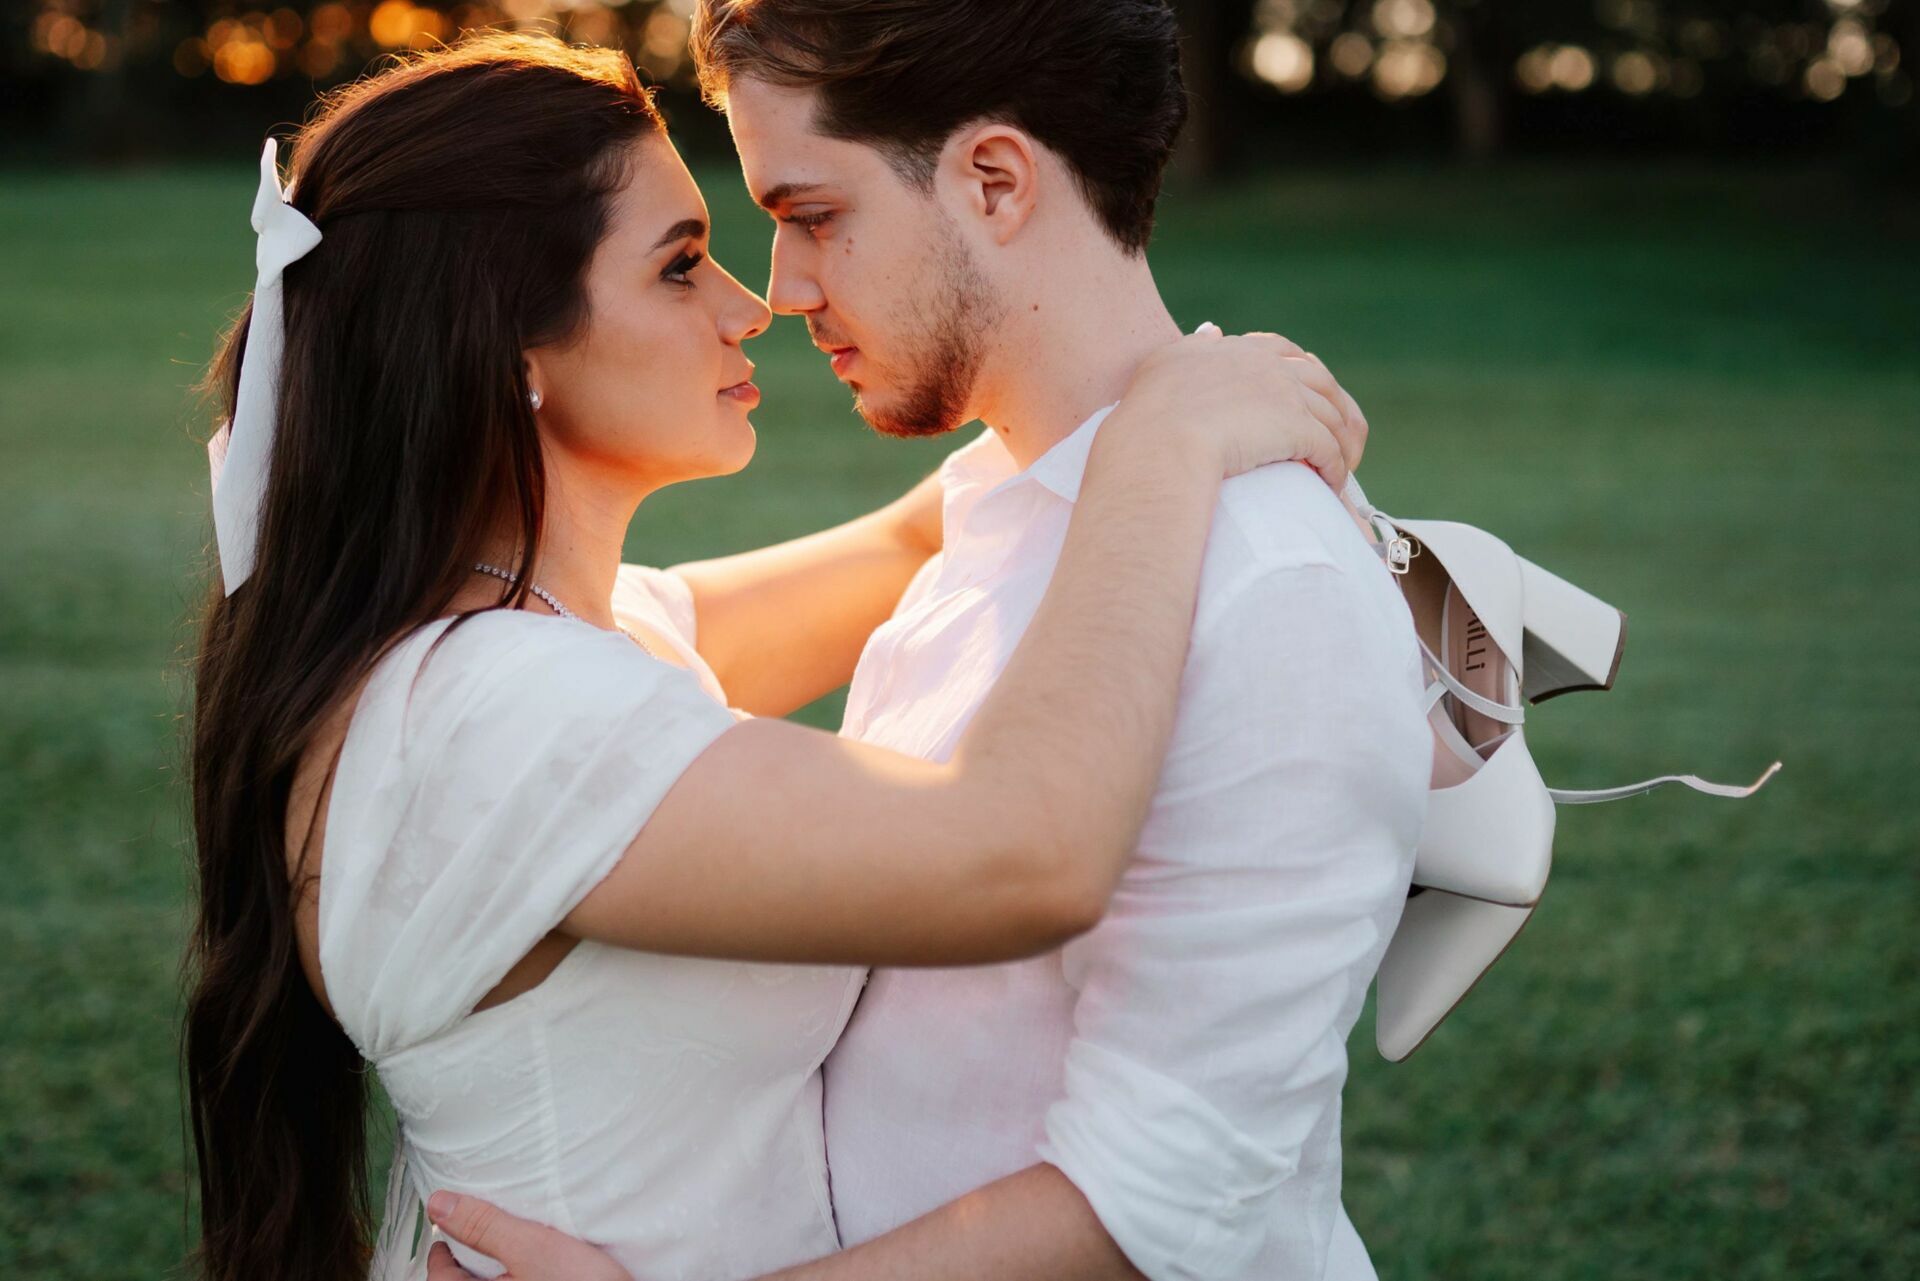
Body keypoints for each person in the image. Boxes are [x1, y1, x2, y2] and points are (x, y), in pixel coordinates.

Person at [180, 30, 1367, 1281]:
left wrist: (1131, 391)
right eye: (682, 267)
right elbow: (1023, 851)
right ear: (509, 349)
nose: (755, 302)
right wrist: (1161, 451)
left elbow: (929, 531)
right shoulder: (495, 719)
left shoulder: (530, 653)